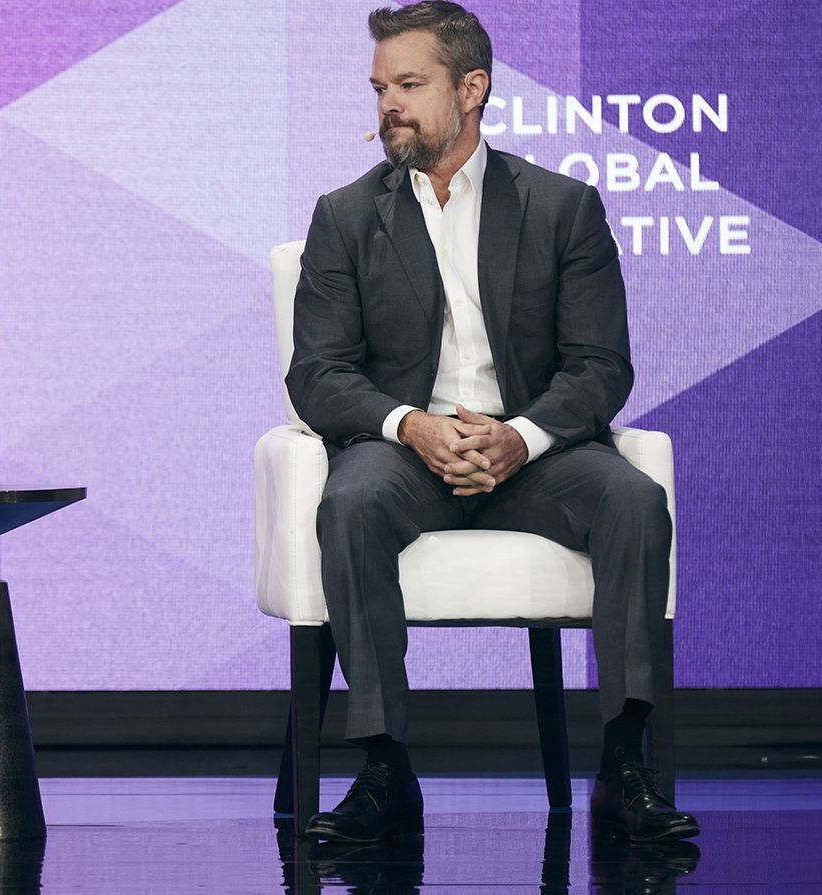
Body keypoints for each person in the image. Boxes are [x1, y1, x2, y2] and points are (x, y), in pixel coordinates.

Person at [286, 3, 698, 844]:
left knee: (633, 500)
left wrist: (520, 438)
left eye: (409, 84)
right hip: (408, 455)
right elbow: (318, 373)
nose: (388, 105)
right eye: (379, 88)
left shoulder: (561, 207)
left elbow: (601, 367)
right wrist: (410, 427)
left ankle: (625, 767)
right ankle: (383, 768)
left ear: (471, 88)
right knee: (350, 502)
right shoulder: (344, 215)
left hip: (535, 454)